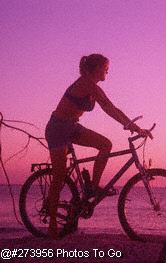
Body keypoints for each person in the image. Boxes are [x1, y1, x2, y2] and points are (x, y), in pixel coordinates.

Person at [45, 53, 152, 239]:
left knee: (105, 144)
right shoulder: (87, 84)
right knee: (59, 177)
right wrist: (134, 128)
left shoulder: (93, 87)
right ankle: (53, 223)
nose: (107, 72)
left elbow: (112, 108)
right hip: (58, 128)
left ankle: (92, 188)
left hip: (71, 126)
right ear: (95, 69)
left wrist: (133, 127)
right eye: (105, 68)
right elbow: (109, 108)